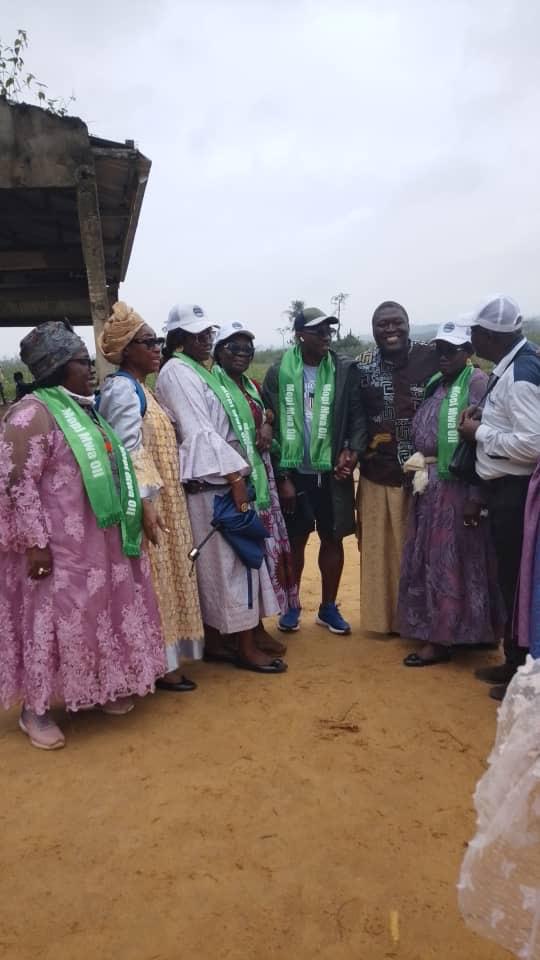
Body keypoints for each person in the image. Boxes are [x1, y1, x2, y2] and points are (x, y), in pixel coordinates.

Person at [0, 320, 166, 750]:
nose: (91, 367)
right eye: (81, 361)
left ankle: (98, 689)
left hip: (97, 542)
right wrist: (35, 544)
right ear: (56, 367)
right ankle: (35, 710)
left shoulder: (84, 408)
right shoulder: (32, 415)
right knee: (51, 621)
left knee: (95, 615)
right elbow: (16, 484)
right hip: (57, 547)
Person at [156, 304, 286, 674]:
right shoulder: (177, 372)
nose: (204, 339)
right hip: (215, 484)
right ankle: (244, 647)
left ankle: (221, 641)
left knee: (229, 563)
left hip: (224, 480)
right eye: (195, 334)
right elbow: (199, 431)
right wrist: (235, 478)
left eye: (207, 333)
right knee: (232, 566)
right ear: (178, 338)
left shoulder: (200, 370)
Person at [97, 302, 205, 692]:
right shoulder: (123, 391)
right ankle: (160, 663)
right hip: (148, 505)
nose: (157, 348)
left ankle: (168, 658)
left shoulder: (142, 388)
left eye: (158, 341)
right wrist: (144, 504)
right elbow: (127, 452)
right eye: (148, 343)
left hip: (165, 500)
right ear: (127, 350)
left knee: (169, 577)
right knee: (155, 582)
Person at [398, 321, 504, 665]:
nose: (443, 356)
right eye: (439, 350)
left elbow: (481, 443)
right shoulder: (437, 383)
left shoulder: (476, 383)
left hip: (458, 487)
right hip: (431, 487)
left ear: (468, 352)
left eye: (451, 350)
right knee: (433, 558)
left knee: (453, 560)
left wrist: (476, 495)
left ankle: (443, 638)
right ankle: (457, 630)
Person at [263, 307, 367, 635]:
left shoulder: (343, 370)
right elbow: (271, 424)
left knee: (333, 538)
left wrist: (352, 451)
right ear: (300, 335)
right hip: (296, 473)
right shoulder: (278, 372)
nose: (326, 336)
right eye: (318, 331)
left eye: (328, 330)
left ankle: (328, 607)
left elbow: (357, 416)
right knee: (295, 541)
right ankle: (292, 605)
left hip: (333, 473)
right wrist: (282, 476)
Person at [459, 294, 540, 700]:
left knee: (517, 582)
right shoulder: (511, 365)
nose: (471, 340)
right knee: (510, 579)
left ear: (490, 336)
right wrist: (485, 418)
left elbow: (533, 443)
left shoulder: (521, 374)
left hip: (515, 492)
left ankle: (522, 670)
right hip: (504, 489)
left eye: (474, 333)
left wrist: (481, 433)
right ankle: (514, 661)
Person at [356, 301, 439, 634]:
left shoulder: (432, 357)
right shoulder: (361, 366)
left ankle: (424, 622)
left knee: (423, 550)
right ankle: (385, 620)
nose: (390, 329)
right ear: (373, 329)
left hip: (425, 475)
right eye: (382, 324)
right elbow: (353, 414)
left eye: (397, 322)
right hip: (378, 473)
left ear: (408, 324)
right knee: (380, 551)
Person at [212, 321, 299, 618]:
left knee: (263, 550)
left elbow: (266, 414)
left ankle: (259, 622)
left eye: (247, 347)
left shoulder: (252, 387)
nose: (242, 352)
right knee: (242, 552)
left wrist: (267, 423)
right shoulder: (212, 388)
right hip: (233, 482)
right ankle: (246, 626)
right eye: (233, 347)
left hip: (263, 479)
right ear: (218, 351)